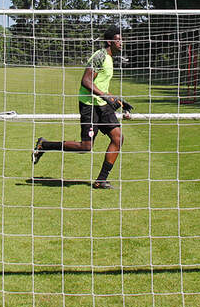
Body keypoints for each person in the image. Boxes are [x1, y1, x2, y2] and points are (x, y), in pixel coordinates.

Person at [32, 26, 132, 189]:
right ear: (110, 41)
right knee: (86, 146)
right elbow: (86, 81)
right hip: (89, 105)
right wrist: (106, 97)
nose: (121, 42)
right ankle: (44, 145)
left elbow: (100, 85)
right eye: (118, 39)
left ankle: (101, 180)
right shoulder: (100, 55)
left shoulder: (110, 58)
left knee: (118, 138)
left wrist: (117, 101)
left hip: (102, 105)